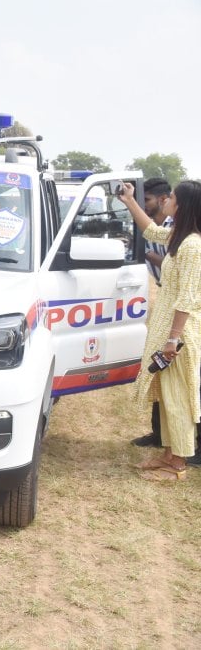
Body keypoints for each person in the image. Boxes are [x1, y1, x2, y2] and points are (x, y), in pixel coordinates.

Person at [120, 180, 201, 481]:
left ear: (182, 205)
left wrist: (173, 339)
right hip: (169, 328)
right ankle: (168, 454)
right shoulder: (179, 237)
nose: (167, 202)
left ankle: (178, 463)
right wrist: (130, 201)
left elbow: (189, 298)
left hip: (179, 334)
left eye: (172, 199)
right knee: (167, 396)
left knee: (178, 396)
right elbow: (151, 232)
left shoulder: (193, 245)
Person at [130, 178, 175, 449]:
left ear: (162, 199)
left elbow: (173, 263)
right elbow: (150, 233)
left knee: (177, 370)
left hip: (180, 303)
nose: (143, 206)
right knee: (159, 367)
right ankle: (159, 434)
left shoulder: (178, 228)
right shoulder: (158, 226)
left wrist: (144, 253)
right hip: (167, 297)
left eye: (145, 201)